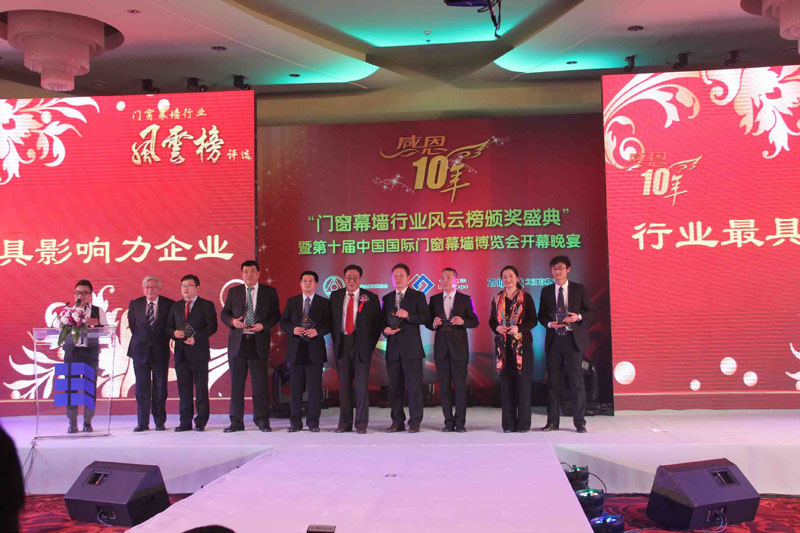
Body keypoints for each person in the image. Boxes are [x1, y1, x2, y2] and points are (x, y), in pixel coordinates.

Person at [220, 260, 279, 433]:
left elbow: (275, 315)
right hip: (238, 344)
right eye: (246, 271)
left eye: (252, 271)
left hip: (257, 342)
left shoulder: (269, 292)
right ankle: (236, 422)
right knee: (236, 385)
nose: (249, 274)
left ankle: (262, 421)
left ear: (258, 273)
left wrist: (263, 326)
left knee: (260, 385)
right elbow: (225, 313)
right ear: (242, 274)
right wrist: (233, 322)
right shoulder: (234, 291)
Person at [537, 255, 593, 433]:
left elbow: (590, 312)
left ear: (568, 270)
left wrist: (578, 317)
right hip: (554, 340)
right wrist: (549, 324)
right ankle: (552, 422)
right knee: (553, 382)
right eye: (554, 268)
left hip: (572, 339)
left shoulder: (579, 289)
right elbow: (541, 315)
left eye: (560, 268)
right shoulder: (546, 291)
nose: (557, 271)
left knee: (577, 382)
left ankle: (579, 422)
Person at [328, 265, 382, 433]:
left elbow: (377, 325)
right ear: (344, 278)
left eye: (355, 278)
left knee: (361, 387)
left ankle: (361, 424)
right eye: (348, 277)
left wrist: (369, 346)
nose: (351, 281)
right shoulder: (335, 296)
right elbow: (331, 321)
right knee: (344, 387)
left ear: (360, 279)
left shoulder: (370, 298)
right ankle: (344, 423)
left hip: (361, 346)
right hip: (343, 344)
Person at [426, 267, 479, 432]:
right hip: (441, 349)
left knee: (460, 387)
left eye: (448, 278)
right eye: (442, 278)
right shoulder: (434, 299)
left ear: (456, 280)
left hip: (459, 350)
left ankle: (460, 422)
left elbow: (474, 321)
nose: (445, 281)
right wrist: (433, 323)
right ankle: (448, 422)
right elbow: (428, 322)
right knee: (444, 387)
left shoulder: (465, 299)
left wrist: (463, 322)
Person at [382, 263, 431, 433]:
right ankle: (397, 421)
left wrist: (408, 315)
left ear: (408, 278)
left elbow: (426, 317)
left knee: (414, 387)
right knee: (395, 388)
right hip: (393, 349)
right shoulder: (387, 298)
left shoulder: (418, 296)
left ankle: (415, 421)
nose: (398, 278)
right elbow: (382, 320)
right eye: (395, 276)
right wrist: (385, 330)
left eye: (401, 275)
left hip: (412, 350)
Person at [279, 271, 331, 432]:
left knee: (314, 389)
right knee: (295, 389)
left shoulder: (324, 303)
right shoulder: (292, 301)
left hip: (315, 351)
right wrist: (293, 329)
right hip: (296, 350)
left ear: (316, 284)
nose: (307, 283)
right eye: (304, 281)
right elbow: (283, 322)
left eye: (310, 281)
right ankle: (295, 422)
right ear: (300, 283)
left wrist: (318, 331)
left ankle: (313, 422)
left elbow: (330, 324)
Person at [488, 266, 537, 433]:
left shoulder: (525, 297)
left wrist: (519, 328)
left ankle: (523, 424)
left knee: (523, 385)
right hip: (503, 348)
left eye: (510, 276)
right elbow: (492, 321)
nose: (507, 279)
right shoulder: (497, 299)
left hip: (523, 347)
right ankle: (508, 424)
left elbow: (533, 320)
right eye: (504, 276)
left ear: (517, 278)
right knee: (506, 385)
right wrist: (497, 328)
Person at [167, 274, 217, 432]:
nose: (186, 289)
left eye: (189, 285)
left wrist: (197, 338)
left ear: (197, 287)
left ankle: (200, 422)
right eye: (183, 286)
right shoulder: (176, 306)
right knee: (184, 390)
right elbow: (168, 327)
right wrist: (174, 333)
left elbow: (212, 327)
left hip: (199, 352)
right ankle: (185, 422)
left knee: (201, 389)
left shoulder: (206, 305)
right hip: (181, 354)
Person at [127, 276, 175, 432]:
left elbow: (170, 327)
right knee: (141, 387)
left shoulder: (169, 304)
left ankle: (159, 421)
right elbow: (134, 327)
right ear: (143, 289)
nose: (150, 290)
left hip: (160, 351)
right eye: (147, 287)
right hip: (139, 351)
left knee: (160, 387)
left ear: (159, 289)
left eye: (153, 287)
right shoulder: (135, 304)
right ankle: (142, 422)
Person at [63, 279, 108, 434]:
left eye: (83, 293)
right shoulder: (68, 311)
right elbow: (58, 328)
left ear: (90, 295)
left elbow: (105, 330)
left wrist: (93, 324)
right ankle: (72, 422)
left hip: (90, 354)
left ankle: (88, 422)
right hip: (72, 353)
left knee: (89, 388)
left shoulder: (97, 311)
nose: (80, 296)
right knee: (71, 388)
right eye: (77, 293)